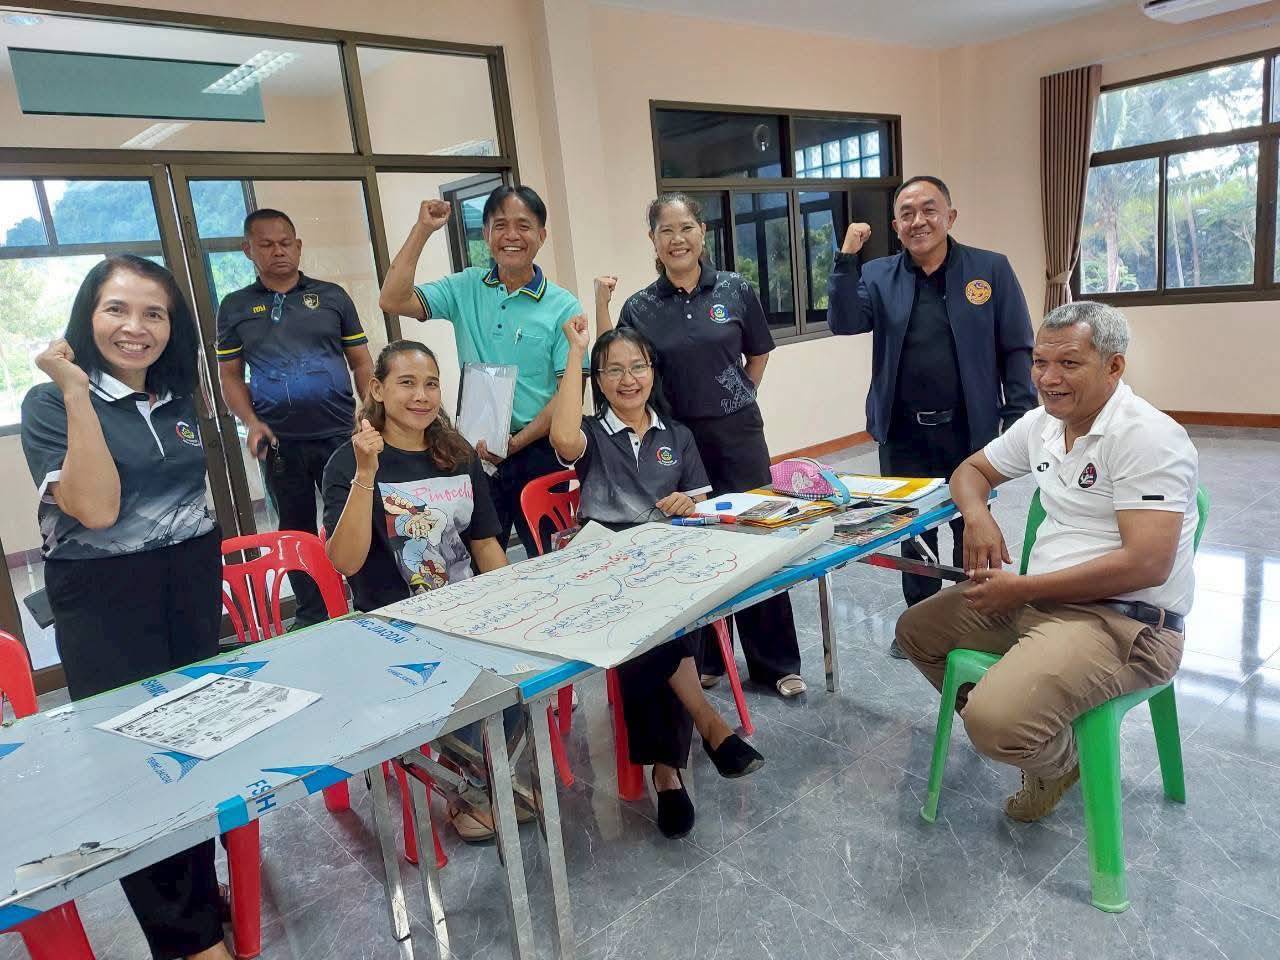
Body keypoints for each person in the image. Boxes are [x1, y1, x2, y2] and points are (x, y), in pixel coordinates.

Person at [896, 301, 1198, 822]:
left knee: (994, 723)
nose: (1048, 379)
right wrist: (978, 517)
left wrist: (1026, 590)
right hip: (1042, 600)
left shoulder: (1146, 436)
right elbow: (970, 470)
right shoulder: (1042, 424)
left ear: (1114, 366)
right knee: (918, 631)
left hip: (1124, 622)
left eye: (1069, 364)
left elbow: (1148, 564)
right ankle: (1033, 732)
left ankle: (1058, 759)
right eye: (1040, 363)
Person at [20, 256, 234, 960]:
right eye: (117, 309)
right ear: (89, 315)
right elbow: (97, 508)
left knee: (195, 753)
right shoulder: (50, 405)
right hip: (108, 607)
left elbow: (193, 506)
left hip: (189, 591)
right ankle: (188, 939)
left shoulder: (175, 402)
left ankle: (201, 899)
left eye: (155, 314)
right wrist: (79, 395)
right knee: (139, 773)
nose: (135, 327)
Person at [549, 316, 764, 838]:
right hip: (605, 569)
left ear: (652, 371)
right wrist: (576, 352)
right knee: (644, 626)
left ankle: (669, 770)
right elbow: (560, 435)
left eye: (637, 366)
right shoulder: (593, 436)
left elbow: (703, 501)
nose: (628, 379)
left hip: (669, 561)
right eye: (613, 371)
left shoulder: (679, 435)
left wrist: (688, 501)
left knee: (655, 629)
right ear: (597, 382)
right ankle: (699, 740)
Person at [598, 193, 806, 698]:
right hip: (676, 444)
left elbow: (757, 352)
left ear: (702, 233)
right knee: (693, 546)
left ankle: (775, 663)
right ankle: (710, 658)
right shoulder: (640, 307)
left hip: (738, 437)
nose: (677, 239)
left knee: (758, 539)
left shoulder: (736, 289)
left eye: (686, 227)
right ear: (653, 241)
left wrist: (740, 395)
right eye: (666, 231)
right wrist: (601, 307)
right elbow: (617, 363)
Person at [828, 175, 1036, 657]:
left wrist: (1019, 416)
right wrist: (845, 259)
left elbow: (1016, 345)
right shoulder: (879, 275)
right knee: (911, 528)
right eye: (907, 213)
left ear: (950, 216)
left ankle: (979, 617)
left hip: (970, 429)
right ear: (895, 224)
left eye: (929, 209)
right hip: (902, 432)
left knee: (973, 522)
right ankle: (919, 623)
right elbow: (844, 321)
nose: (918, 220)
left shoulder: (990, 269)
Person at [321, 339, 515, 841]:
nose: (421, 395)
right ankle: (470, 788)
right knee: (459, 681)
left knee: (518, 668)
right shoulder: (349, 462)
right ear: (378, 389)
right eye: (406, 383)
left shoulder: (457, 455)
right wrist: (367, 474)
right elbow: (345, 561)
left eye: (431, 383)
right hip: (393, 626)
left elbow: (486, 543)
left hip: (466, 609)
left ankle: (501, 773)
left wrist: (514, 609)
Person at [378, 186, 586, 558]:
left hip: (538, 449)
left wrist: (515, 444)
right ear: (486, 234)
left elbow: (566, 392)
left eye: (523, 225)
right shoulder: (465, 287)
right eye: (500, 225)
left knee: (556, 556)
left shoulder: (562, 305)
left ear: (541, 235)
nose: (511, 235)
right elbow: (392, 299)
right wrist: (423, 230)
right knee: (478, 559)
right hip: (475, 451)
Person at [216, 208, 373, 628]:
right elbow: (230, 377)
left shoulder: (332, 297)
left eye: (285, 242)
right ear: (247, 249)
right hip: (281, 442)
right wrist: (251, 422)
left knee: (351, 517)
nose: (278, 251)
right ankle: (314, 612)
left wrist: (370, 410)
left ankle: (368, 598)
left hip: (341, 434)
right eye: (265, 244)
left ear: (299, 245)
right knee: (296, 529)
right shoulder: (235, 307)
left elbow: (360, 361)